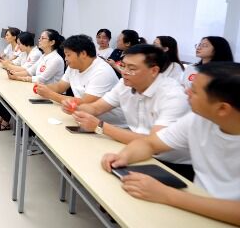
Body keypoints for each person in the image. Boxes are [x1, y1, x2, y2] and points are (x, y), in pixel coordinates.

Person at [101, 62, 240, 226]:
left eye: (194, 91)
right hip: (197, 201)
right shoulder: (198, 119)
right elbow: (150, 144)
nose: (186, 91)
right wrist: (122, 157)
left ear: (222, 108)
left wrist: (166, 194)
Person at [67, 44, 193, 180]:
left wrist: (100, 126)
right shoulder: (125, 84)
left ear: (154, 71)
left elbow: (154, 143)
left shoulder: (173, 96)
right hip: (137, 150)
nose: (125, 72)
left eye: (132, 68)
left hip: (173, 164)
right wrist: (75, 107)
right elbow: (97, 108)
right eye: (123, 65)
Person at [35, 34, 126, 126]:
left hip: (111, 126)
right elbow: (60, 87)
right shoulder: (73, 66)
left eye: (68, 55)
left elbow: (85, 102)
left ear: (83, 54)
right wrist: (43, 88)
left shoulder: (102, 72)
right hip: (85, 120)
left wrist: (50, 94)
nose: (65, 59)